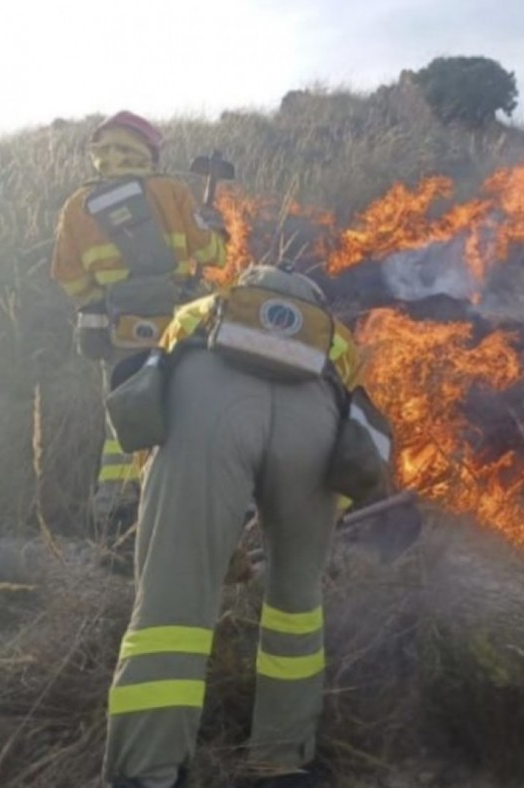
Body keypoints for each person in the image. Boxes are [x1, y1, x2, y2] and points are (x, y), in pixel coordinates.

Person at [103, 265, 387, 788]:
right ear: (314, 305)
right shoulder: (336, 342)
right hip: (314, 426)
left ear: (245, 289)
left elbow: (154, 416)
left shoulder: (201, 312)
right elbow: (351, 452)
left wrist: (197, 532)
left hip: (205, 403)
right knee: (297, 606)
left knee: (172, 606)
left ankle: (147, 770)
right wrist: (316, 534)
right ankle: (282, 763)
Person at [49, 110, 228, 537]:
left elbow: (66, 274)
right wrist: (217, 233)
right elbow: (212, 256)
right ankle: (183, 502)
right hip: (181, 325)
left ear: (101, 153)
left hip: (119, 329)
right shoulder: (171, 191)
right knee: (186, 406)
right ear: (148, 151)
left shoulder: (77, 205)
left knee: (126, 412)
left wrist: (100, 301)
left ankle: (118, 513)